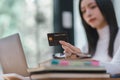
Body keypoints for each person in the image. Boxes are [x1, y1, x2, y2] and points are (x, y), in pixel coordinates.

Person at [59, 0, 120, 77]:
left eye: (93, 7)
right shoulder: (87, 46)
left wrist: (84, 60)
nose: (88, 14)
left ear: (105, 6)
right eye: (83, 11)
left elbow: (117, 68)